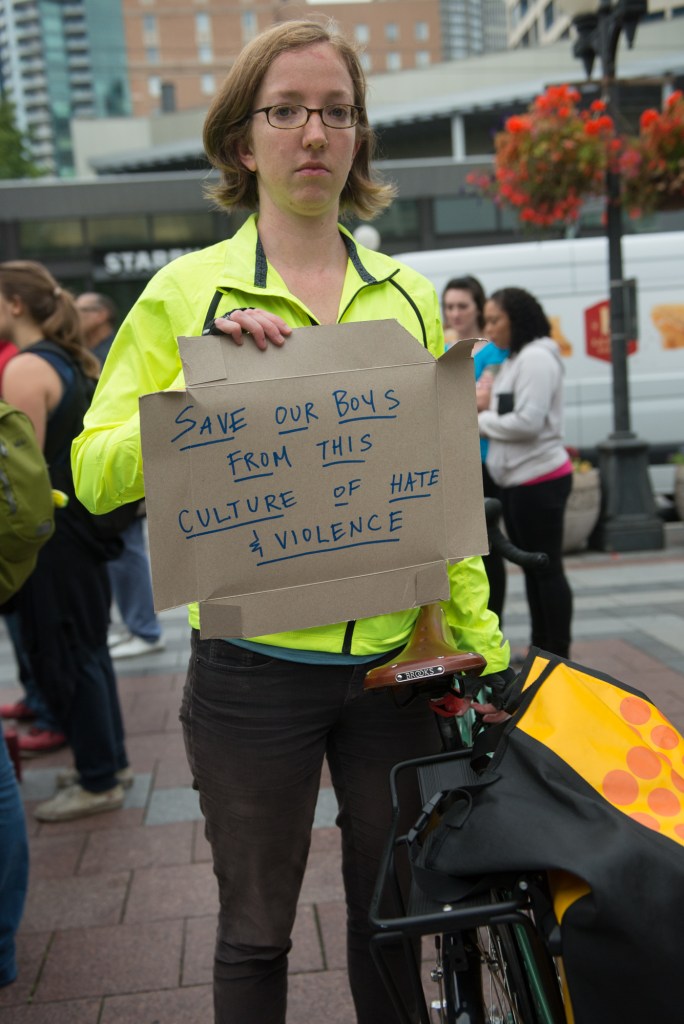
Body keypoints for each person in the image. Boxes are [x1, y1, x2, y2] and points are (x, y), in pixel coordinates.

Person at [72, 21, 511, 1024]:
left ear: (358, 139)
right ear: (243, 139)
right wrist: (187, 395)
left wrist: (475, 657)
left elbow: (446, 499)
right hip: (250, 676)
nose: (313, 132)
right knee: (255, 929)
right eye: (287, 112)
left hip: (394, 671)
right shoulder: (184, 293)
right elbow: (93, 478)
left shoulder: (404, 296)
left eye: (336, 112)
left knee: (394, 920)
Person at [0, 260, 132, 821]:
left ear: (15, 305)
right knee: (89, 650)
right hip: (80, 528)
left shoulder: (26, 370)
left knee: (65, 654)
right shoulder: (70, 359)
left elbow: (16, 474)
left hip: (51, 537)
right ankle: (109, 763)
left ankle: (99, 779)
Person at [479, 286, 573, 659]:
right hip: (518, 482)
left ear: (516, 320)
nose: (489, 328)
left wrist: (481, 419)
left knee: (545, 567)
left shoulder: (536, 358)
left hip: (540, 481)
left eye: (494, 320)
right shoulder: (516, 358)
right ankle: (542, 649)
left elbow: (528, 422)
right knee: (533, 569)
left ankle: (557, 652)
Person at [75, 292, 165, 659]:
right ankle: (139, 626)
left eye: (81, 310)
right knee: (125, 550)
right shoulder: (94, 352)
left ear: (100, 315)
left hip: (128, 471)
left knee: (128, 550)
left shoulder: (114, 351)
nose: (74, 317)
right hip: (114, 468)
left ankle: (144, 629)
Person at [441, 274, 486, 350]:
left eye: (462, 306)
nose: (455, 314)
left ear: (479, 307)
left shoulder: (498, 350)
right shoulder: (440, 353)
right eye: (450, 307)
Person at [74, 291, 118, 365]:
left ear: (102, 315)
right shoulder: (80, 352)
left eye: (80, 310)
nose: (74, 316)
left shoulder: (116, 354)